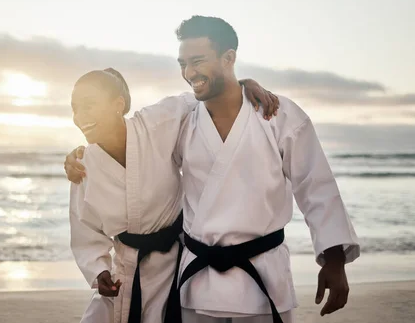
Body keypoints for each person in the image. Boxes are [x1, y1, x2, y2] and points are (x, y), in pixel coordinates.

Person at [67, 16, 360, 323]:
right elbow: (133, 149)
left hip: (264, 280)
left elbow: (315, 185)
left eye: (198, 61)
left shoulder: (277, 116)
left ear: (229, 58)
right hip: (197, 286)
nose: (188, 72)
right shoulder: (184, 121)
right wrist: (83, 157)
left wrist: (335, 259)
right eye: (183, 63)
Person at [68, 67, 278, 323]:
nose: (80, 116)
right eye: (75, 108)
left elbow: (203, 98)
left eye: (89, 105)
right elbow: (85, 229)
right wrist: (99, 269)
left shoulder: (158, 123)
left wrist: (242, 85)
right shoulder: (83, 166)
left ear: (118, 104)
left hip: (175, 262)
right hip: (124, 272)